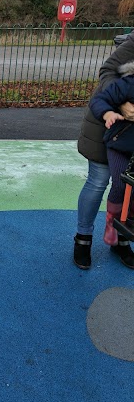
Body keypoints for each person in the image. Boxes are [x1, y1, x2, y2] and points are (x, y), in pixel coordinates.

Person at [74, 31, 134, 269]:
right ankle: (83, 238)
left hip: (130, 136)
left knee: (127, 187)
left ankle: (120, 239)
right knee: (99, 180)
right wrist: (121, 104)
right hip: (107, 121)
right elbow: (107, 71)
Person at [89, 68, 134, 255]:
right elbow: (99, 100)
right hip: (119, 145)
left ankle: (128, 221)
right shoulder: (129, 84)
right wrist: (108, 113)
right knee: (120, 184)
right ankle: (111, 221)